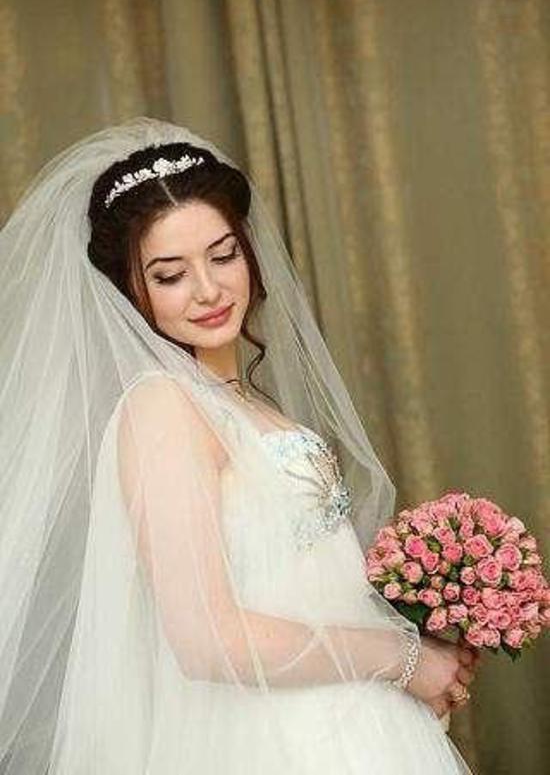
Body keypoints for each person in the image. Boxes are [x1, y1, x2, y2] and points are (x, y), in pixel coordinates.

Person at [0, 117, 480, 774]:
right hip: (266, 739)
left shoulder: (244, 404)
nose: (208, 289)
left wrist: (420, 629)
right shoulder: (162, 407)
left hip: (349, 719)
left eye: (223, 256)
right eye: (170, 274)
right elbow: (207, 640)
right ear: (130, 291)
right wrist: (402, 659)